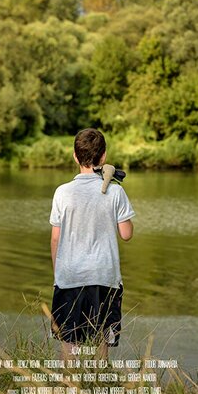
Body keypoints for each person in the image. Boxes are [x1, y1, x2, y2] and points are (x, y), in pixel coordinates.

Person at [49, 128, 135, 359]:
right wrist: (117, 191)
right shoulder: (115, 191)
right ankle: (98, 392)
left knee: (69, 345)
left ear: (75, 156)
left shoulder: (62, 193)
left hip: (69, 278)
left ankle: (68, 393)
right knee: (101, 345)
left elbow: (55, 238)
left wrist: (59, 275)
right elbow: (126, 234)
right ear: (104, 156)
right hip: (105, 278)